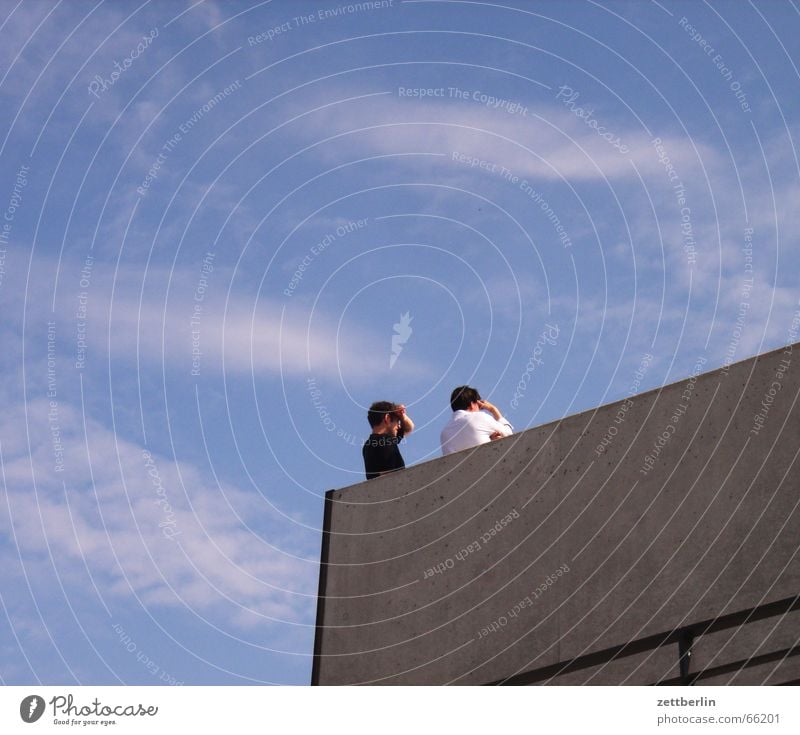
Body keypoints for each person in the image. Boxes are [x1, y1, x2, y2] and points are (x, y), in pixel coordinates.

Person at [440, 386, 513, 455]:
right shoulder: (479, 417)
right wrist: (493, 409)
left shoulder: (444, 433)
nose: (479, 409)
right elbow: (509, 434)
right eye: (479, 406)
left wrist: (489, 440)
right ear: (472, 404)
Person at [362, 401, 415, 480]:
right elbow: (391, 475)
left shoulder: (368, 444)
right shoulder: (385, 441)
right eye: (397, 421)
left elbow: (409, 428)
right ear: (387, 418)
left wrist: (402, 416)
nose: (399, 426)